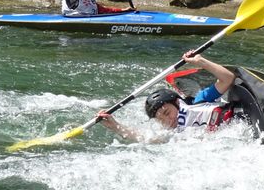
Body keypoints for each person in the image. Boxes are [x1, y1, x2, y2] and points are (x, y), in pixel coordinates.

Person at [97, 50, 237, 142]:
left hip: (237, 123)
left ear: (177, 103)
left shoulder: (200, 100)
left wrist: (201, 62)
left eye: (167, 112)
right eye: (161, 119)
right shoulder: (172, 134)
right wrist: (115, 126)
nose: (168, 121)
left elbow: (228, 78)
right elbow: (143, 138)